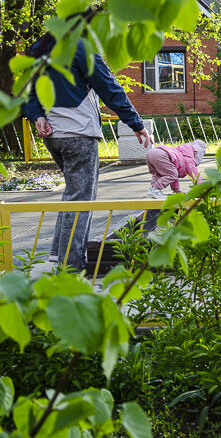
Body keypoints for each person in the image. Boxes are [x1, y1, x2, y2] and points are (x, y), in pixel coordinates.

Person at [23, 36, 152, 272]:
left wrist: (36, 116)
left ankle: (57, 256)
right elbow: (108, 87)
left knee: (72, 195)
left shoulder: (38, 47)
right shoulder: (80, 46)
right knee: (82, 200)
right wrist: (136, 123)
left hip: (53, 136)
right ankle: (71, 266)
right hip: (79, 134)